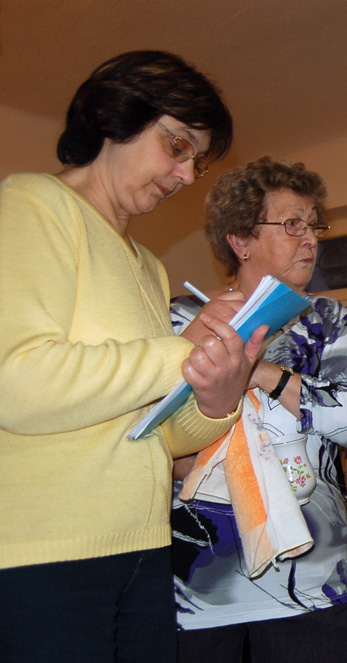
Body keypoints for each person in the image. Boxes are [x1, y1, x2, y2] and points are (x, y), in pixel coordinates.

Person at [0, 51, 261, 663]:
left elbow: (154, 434)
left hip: (142, 548)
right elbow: (17, 382)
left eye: (196, 158)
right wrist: (179, 352)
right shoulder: (31, 206)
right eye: (177, 145)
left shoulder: (147, 264)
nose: (188, 172)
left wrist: (218, 394)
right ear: (116, 117)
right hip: (44, 556)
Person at [170, 156, 347, 663]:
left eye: (314, 225)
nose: (311, 238)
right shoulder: (183, 319)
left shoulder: (327, 320)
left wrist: (262, 371)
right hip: (203, 586)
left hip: (313, 582)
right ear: (240, 241)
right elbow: (159, 433)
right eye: (292, 224)